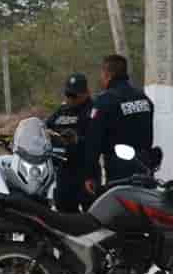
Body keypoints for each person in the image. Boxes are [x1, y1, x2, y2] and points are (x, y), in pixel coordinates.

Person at [83, 55, 155, 195]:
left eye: (102, 74)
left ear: (107, 74)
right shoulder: (144, 98)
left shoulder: (105, 101)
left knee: (122, 214)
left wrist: (90, 175)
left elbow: (93, 142)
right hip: (144, 166)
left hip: (119, 172)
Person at [45, 73, 96, 212]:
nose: (70, 98)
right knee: (64, 214)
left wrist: (77, 139)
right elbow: (45, 127)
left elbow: (97, 140)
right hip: (64, 170)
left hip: (86, 171)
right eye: (68, 94)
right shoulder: (62, 110)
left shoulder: (94, 110)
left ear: (86, 93)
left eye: (74, 95)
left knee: (91, 214)